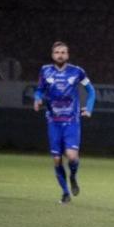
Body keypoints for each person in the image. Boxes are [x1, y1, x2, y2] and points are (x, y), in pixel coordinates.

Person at [34, 41, 96, 204]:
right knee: (56, 159)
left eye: (63, 52)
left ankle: (73, 176)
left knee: (72, 156)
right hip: (53, 121)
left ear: (67, 55)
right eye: (57, 52)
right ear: (52, 55)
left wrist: (88, 108)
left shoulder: (77, 72)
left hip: (71, 121)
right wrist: (37, 99)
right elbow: (40, 89)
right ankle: (65, 192)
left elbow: (91, 91)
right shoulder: (45, 70)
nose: (60, 55)